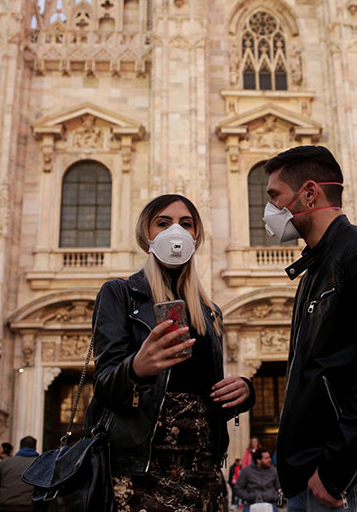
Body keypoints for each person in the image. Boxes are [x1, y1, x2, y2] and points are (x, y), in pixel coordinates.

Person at [84, 194, 255, 512]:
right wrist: (136, 368)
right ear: (147, 235)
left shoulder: (209, 311)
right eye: (164, 223)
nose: (175, 231)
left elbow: (207, 395)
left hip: (203, 470)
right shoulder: (121, 294)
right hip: (140, 470)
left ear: (195, 237)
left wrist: (244, 392)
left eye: (185, 224)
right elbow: (105, 386)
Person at [268, 146, 357, 511]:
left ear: (309, 193)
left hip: (353, 476)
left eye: (274, 196)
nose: (269, 210)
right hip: (316, 473)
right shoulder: (314, 270)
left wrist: (337, 466)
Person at [0, 436, 38, 512]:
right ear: (35, 448)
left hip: (5, 506)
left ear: (20, 447)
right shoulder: (41, 464)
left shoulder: (5, 462)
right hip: (30, 506)